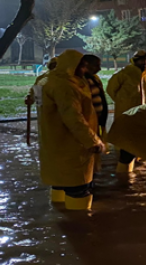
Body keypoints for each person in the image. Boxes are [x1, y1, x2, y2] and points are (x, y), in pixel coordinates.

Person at [39, 49, 105, 210]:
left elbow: (37, 98)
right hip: (72, 144)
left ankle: (59, 220)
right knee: (78, 188)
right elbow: (73, 117)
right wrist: (92, 140)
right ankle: (80, 227)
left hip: (55, 141)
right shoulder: (66, 86)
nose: (84, 69)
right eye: (81, 66)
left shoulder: (48, 80)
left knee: (60, 183)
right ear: (71, 66)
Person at [106, 50, 146, 117]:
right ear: (135, 61)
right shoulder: (125, 73)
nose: (144, 62)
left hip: (144, 110)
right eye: (141, 60)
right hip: (126, 110)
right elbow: (111, 88)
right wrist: (122, 101)